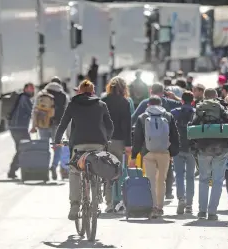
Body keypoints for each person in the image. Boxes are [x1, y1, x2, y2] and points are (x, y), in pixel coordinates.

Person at [53, 80, 114, 220]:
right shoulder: (101, 105)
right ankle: (97, 195)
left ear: (79, 91)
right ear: (93, 91)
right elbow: (110, 126)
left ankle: (75, 205)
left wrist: (57, 141)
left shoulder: (73, 104)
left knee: (74, 171)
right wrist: (106, 138)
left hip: (78, 145)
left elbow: (63, 124)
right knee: (98, 166)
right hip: (98, 144)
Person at [131, 95, 180, 217]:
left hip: (148, 152)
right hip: (164, 152)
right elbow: (175, 136)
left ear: (148, 105)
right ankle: (160, 207)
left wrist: (134, 155)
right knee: (161, 180)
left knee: (150, 179)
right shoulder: (168, 116)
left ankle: (153, 206)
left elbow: (137, 139)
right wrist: (172, 153)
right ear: (161, 104)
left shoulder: (142, 117)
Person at [190, 88, 228, 220]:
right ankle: (212, 211)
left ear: (204, 96)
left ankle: (202, 211)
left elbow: (193, 127)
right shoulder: (222, 108)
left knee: (203, 179)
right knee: (218, 180)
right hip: (220, 148)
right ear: (216, 96)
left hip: (203, 148)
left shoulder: (199, 108)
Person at [101, 76, 132, 213]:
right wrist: (128, 144)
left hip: (105, 141)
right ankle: (118, 201)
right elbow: (127, 125)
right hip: (119, 141)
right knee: (119, 172)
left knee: (107, 171)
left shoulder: (104, 101)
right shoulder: (125, 103)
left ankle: (109, 204)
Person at [30, 76, 69, 180]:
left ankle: (44, 170)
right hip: (57, 126)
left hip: (43, 125)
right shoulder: (63, 96)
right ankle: (54, 166)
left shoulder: (42, 94)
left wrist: (34, 126)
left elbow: (35, 111)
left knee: (44, 148)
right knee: (58, 147)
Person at [171, 91, 196, 215]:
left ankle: (181, 198)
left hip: (177, 147)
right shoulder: (196, 113)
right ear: (192, 101)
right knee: (190, 176)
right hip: (192, 149)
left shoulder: (174, 112)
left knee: (179, 175)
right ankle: (189, 205)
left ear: (181, 100)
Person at [7, 83, 35, 179]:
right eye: (30, 89)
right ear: (25, 89)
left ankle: (15, 171)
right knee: (25, 148)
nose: (32, 91)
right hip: (19, 128)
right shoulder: (24, 99)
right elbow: (32, 111)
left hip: (15, 127)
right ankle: (14, 170)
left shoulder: (22, 98)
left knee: (21, 149)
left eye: (33, 89)